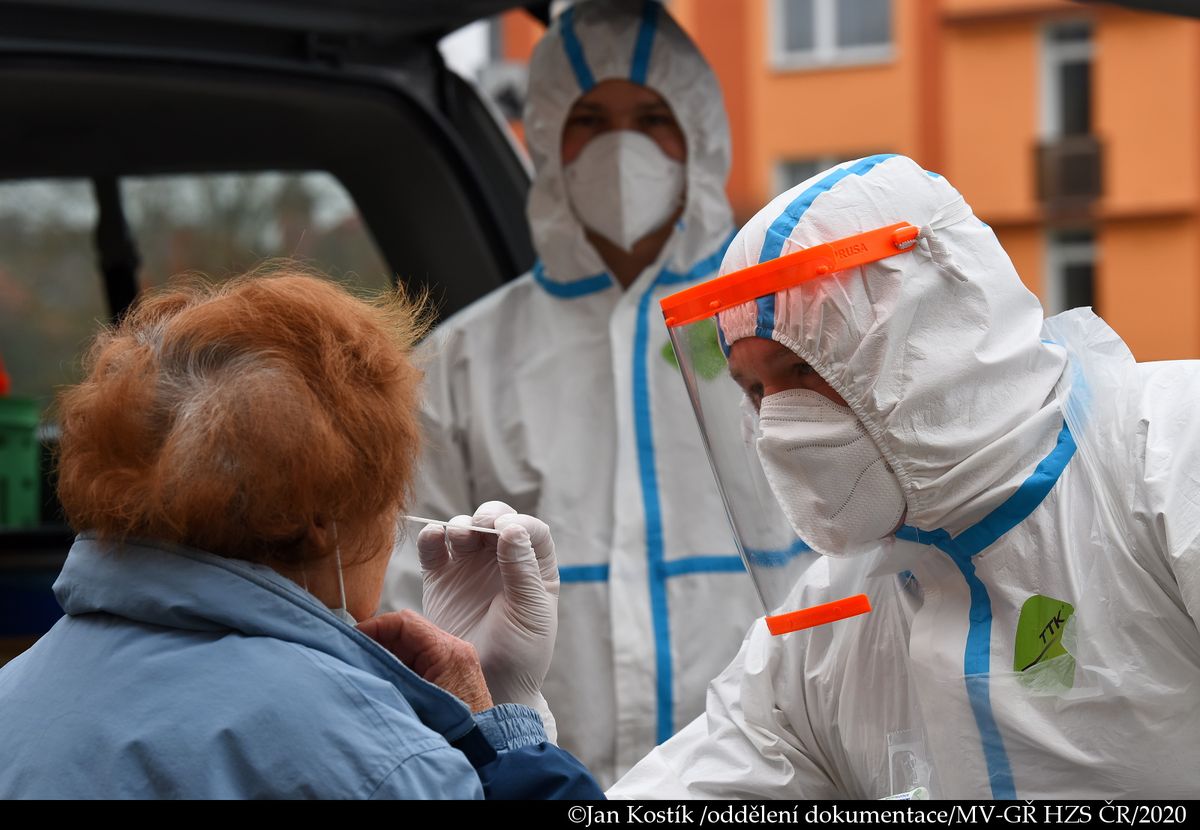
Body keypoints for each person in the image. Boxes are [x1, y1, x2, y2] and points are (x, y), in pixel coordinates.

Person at [604, 153, 1200, 798]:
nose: (776, 424)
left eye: (801, 370)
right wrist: (506, 737)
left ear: (924, 334)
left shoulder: (1166, 453)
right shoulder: (834, 617)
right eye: (755, 390)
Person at [0, 269, 603, 799]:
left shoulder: (14, 697)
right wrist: (504, 731)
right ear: (318, 519)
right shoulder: (369, 752)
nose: (396, 520)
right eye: (391, 498)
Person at [382, 0, 762, 785]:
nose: (622, 145)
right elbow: (408, 591)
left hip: (762, 772)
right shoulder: (459, 362)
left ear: (700, 133)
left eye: (652, 116)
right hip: (542, 774)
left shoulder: (769, 329)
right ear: (549, 138)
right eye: (590, 117)